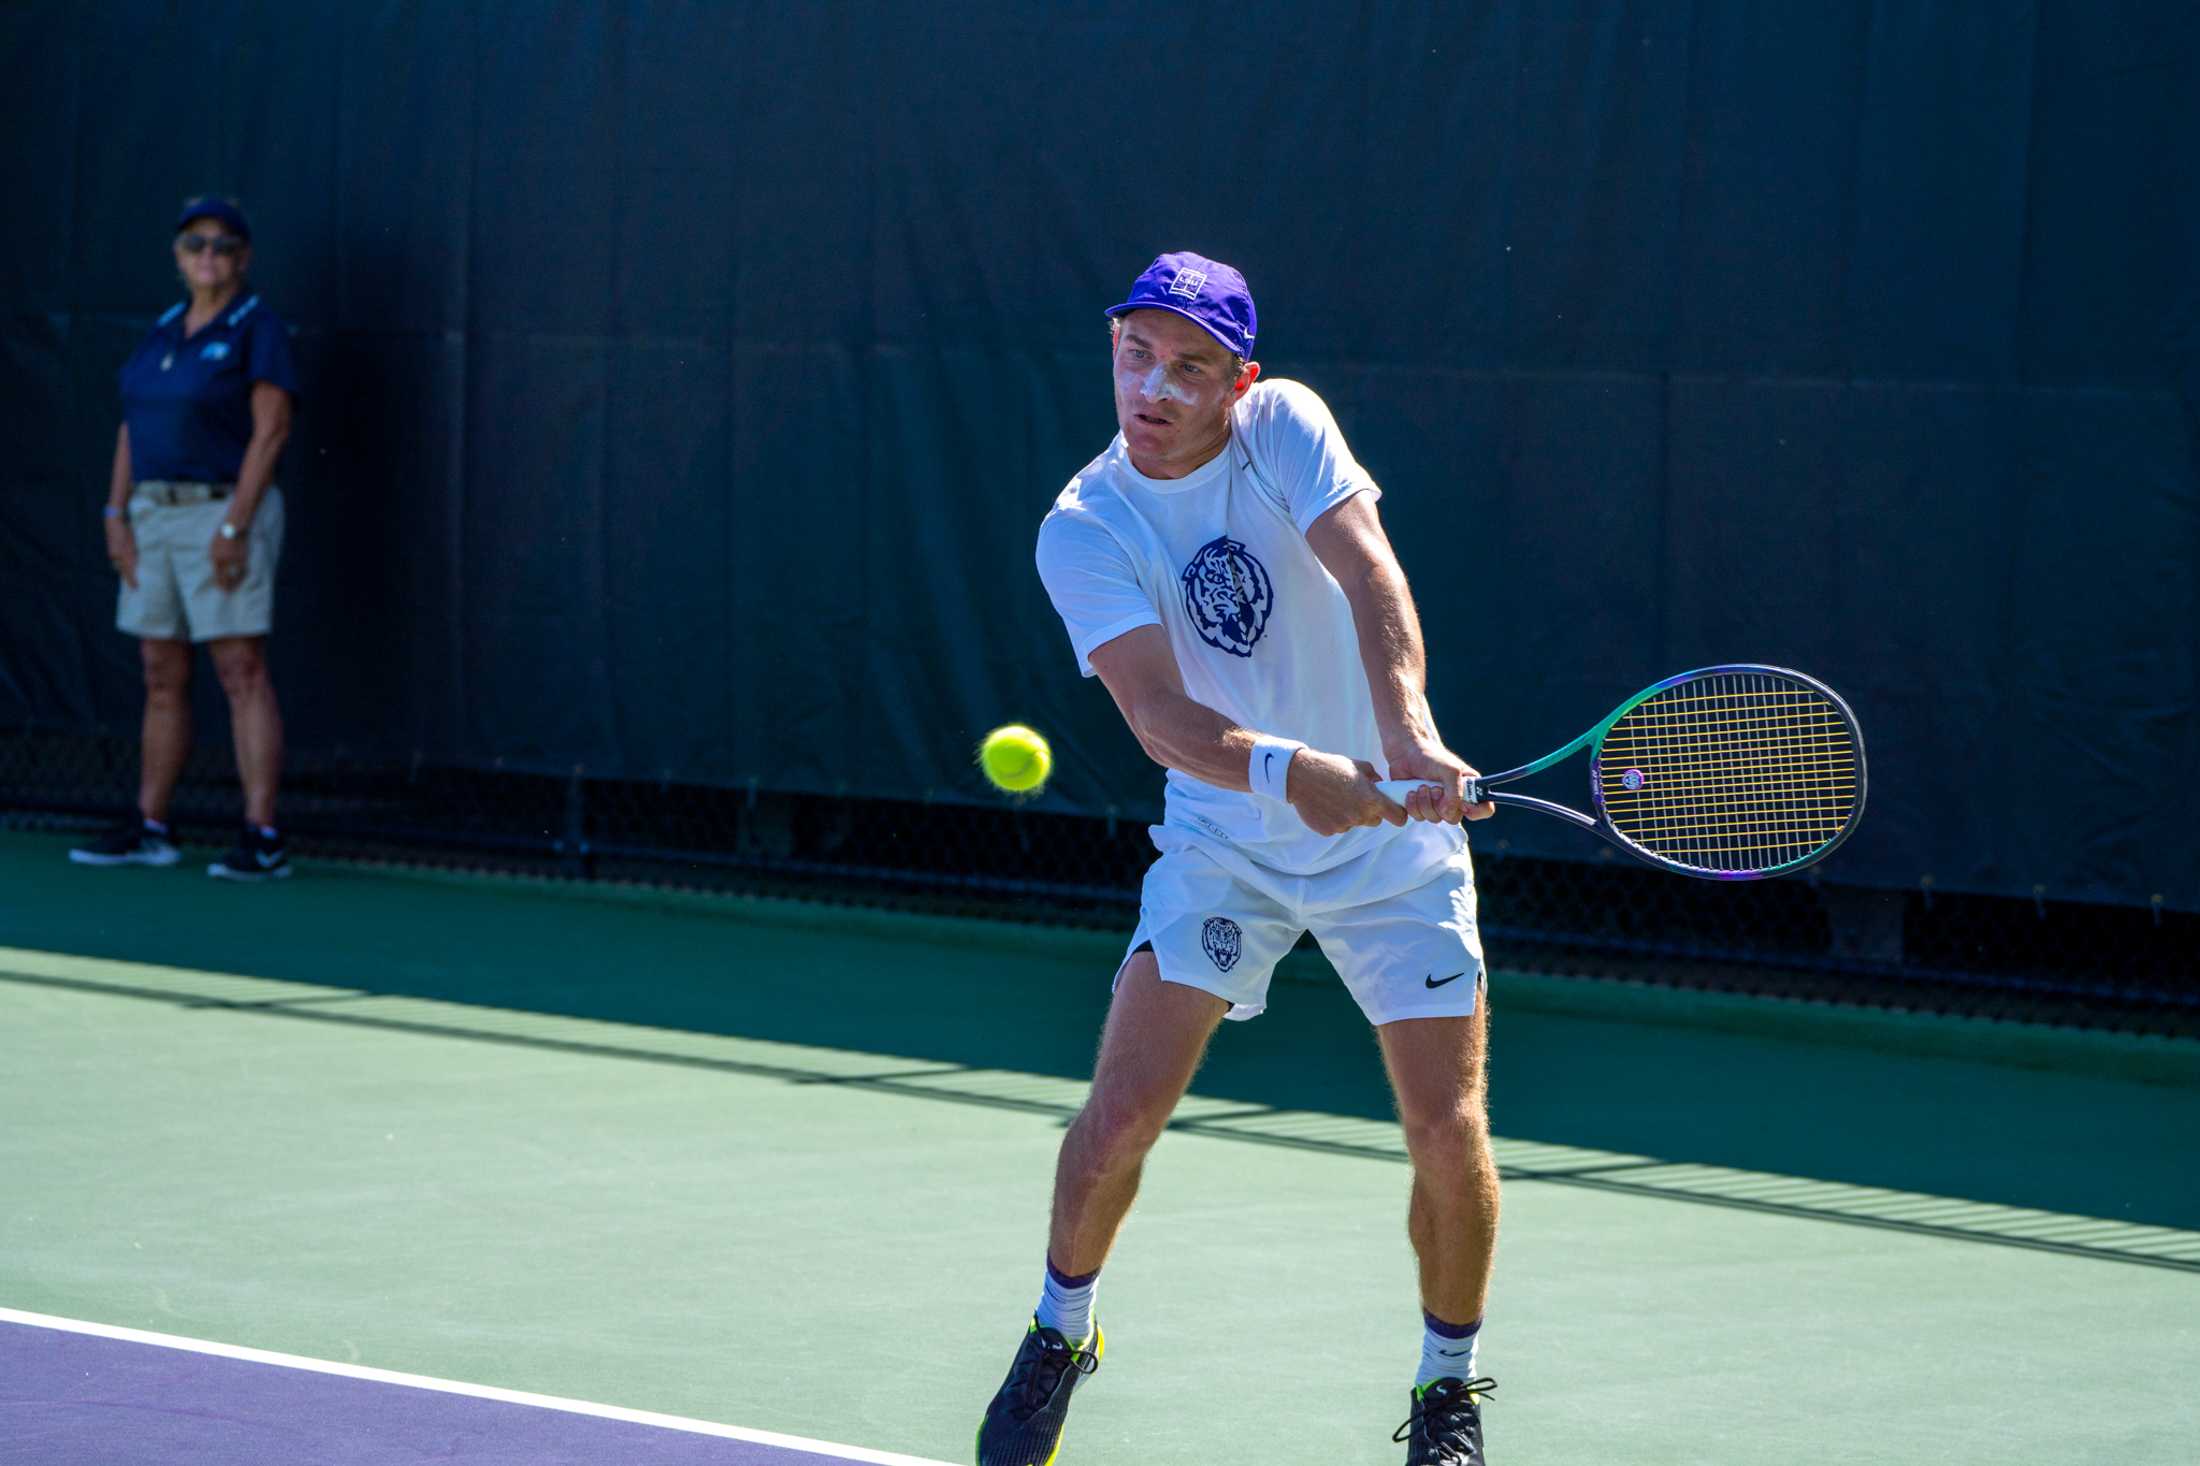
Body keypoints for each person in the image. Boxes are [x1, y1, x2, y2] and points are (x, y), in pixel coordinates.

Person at [976, 253, 1502, 1466]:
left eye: (1188, 366)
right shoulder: (1086, 524)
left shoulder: (1284, 427)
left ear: (1237, 380)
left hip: (1393, 849)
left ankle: (1448, 1390)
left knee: (1446, 1125)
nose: (1151, 387)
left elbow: (1370, 569)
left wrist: (1407, 737)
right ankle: (1059, 1329)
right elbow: (1159, 717)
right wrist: (1292, 775)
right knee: (1119, 1116)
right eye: (1134, 355)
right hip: (1227, 841)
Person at [69, 196, 298, 882]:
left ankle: (262, 837)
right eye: (196, 244)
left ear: (243, 258)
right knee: (160, 673)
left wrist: (235, 525)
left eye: (224, 245)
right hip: (153, 517)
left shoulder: (258, 329)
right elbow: (130, 430)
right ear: (177, 256)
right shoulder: (163, 331)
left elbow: (272, 432)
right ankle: (153, 827)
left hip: (222, 511)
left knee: (239, 669)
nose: (209, 256)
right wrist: (117, 517)